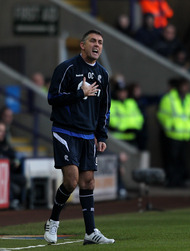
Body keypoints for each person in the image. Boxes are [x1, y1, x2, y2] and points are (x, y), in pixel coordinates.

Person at [44, 30, 114, 245]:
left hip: (87, 134)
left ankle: (90, 232)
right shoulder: (67, 68)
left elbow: (105, 108)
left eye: (100, 42)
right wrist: (79, 94)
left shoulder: (103, 74)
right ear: (82, 45)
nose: (97, 45)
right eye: (93, 41)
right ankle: (53, 221)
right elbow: (52, 98)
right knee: (72, 180)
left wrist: (101, 135)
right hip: (65, 130)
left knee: (88, 182)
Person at [157, 77, 190, 187]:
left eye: (187, 86)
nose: (185, 88)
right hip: (172, 134)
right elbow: (162, 115)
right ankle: (171, 181)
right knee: (172, 160)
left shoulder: (189, 98)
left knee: (181, 160)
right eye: (184, 86)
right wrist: (170, 126)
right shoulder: (169, 98)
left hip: (185, 134)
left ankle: (179, 181)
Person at [109, 81, 144, 147]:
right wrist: (125, 128)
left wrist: (135, 128)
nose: (122, 94)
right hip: (118, 137)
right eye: (120, 92)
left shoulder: (131, 102)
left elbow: (139, 117)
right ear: (116, 92)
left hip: (132, 136)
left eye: (124, 91)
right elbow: (112, 120)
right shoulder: (112, 104)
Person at [0, 121, 26, 210]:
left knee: (22, 179)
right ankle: (11, 202)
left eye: (3, 131)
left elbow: (15, 156)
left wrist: (16, 162)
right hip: (2, 178)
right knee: (13, 188)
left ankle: (21, 202)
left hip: (9, 175)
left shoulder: (5, 145)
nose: (2, 133)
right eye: (0, 131)